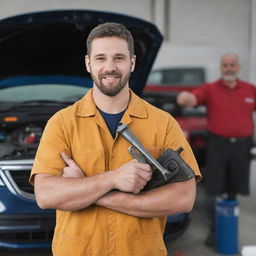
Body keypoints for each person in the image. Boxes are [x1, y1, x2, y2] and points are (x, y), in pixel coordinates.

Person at [30, 22, 201, 256]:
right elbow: (46, 195)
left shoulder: (163, 123)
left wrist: (90, 190)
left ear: (132, 63)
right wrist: (113, 178)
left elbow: (184, 198)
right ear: (88, 63)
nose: (110, 67)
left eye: (119, 58)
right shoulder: (62, 123)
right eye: (100, 58)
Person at [177, 53, 256, 248]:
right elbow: (192, 98)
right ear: (221, 68)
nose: (229, 68)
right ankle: (214, 230)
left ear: (238, 67)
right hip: (217, 146)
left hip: (241, 146)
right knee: (213, 189)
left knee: (234, 187)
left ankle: (229, 226)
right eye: (225, 65)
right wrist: (184, 97)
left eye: (232, 65)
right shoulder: (210, 89)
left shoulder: (250, 89)